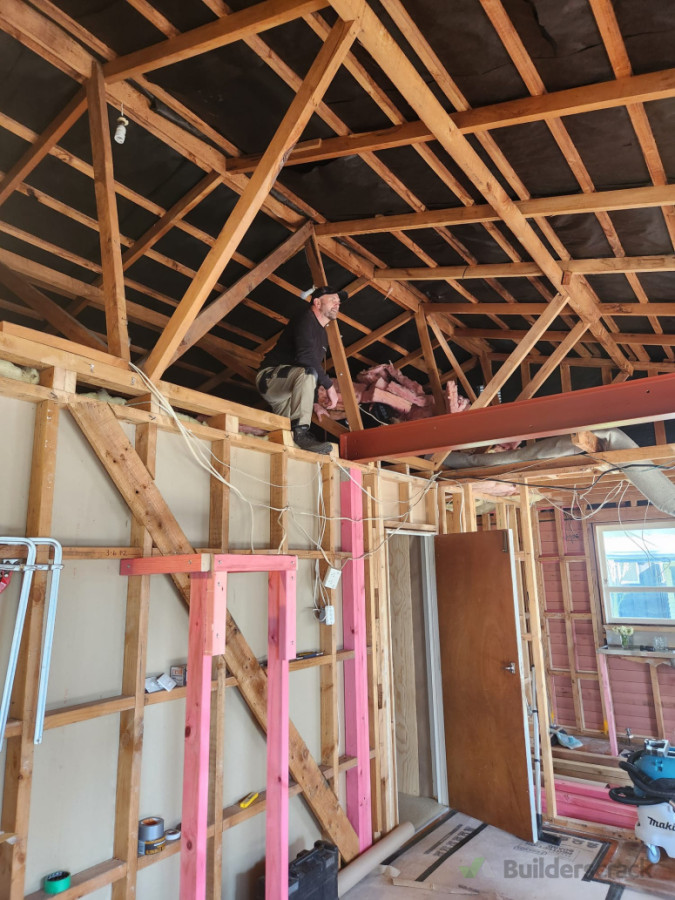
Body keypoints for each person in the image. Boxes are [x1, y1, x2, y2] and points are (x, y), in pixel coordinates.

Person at [256, 286, 346, 454]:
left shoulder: (322, 335)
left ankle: (294, 438)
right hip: (270, 379)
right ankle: (302, 433)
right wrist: (329, 386)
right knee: (308, 372)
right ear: (317, 302)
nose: (337, 304)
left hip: (289, 395)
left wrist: (312, 404)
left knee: (284, 439)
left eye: (339, 301)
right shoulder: (305, 318)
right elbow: (305, 359)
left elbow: (308, 370)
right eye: (333, 299)